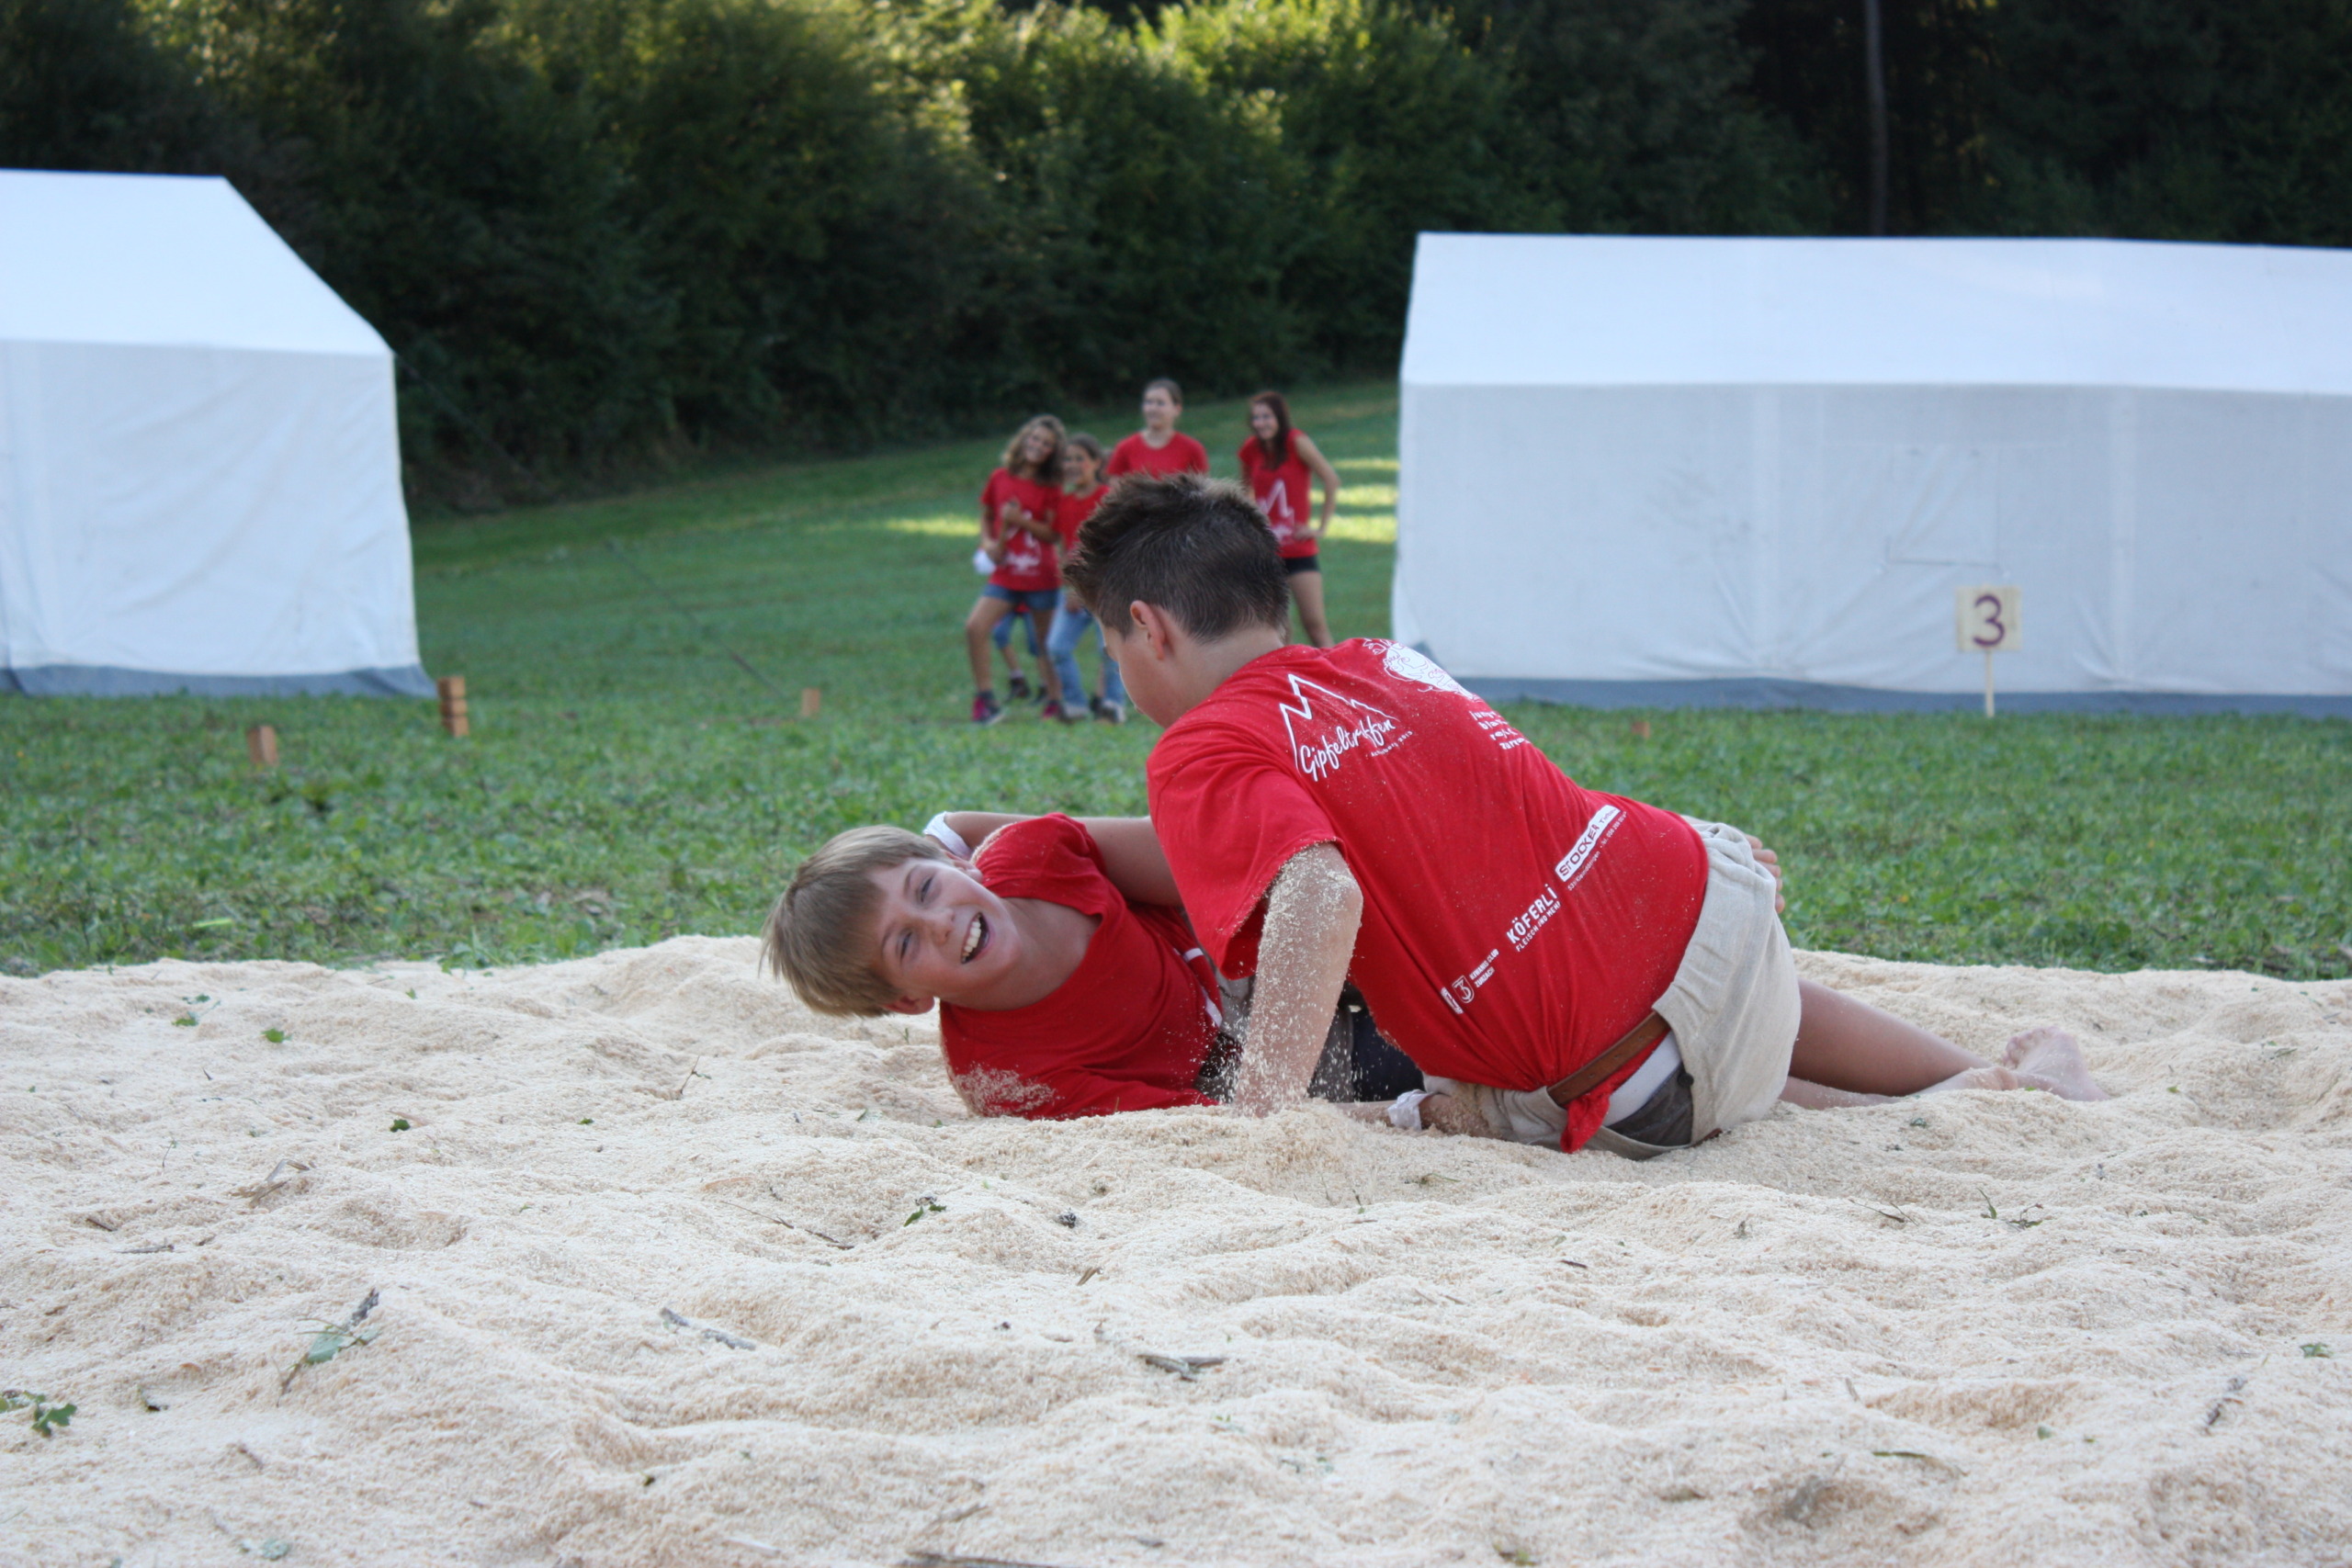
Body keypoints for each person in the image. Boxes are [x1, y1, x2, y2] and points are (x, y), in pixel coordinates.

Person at [1063, 474, 2109, 1158]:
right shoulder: (1381, 660)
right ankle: (1983, 1082)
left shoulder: (1198, 746)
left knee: (1575, 1080)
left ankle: (1967, 1109)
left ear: (1146, 629)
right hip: (1716, 905)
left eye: (1112, 650)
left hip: (1629, 1071)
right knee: (1644, 969)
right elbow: (1507, 808)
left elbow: (1320, 891)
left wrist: (1263, 1122)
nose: (1120, 675)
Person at [762, 812, 1422, 1120]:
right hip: (1230, 1073)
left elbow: (1210, 867)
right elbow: (1206, 1126)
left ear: (958, 862)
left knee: (1385, 927)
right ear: (907, 1000)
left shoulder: (1033, 851)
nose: (936, 922)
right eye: (904, 944)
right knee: (1421, 1062)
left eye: (927, 888)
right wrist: (1403, 1116)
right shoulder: (1003, 1077)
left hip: (1230, 959)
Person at [965, 415, 1068, 725]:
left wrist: (1020, 520)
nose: (1038, 447)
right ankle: (986, 699)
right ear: (1023, 439)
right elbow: (986, 515)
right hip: (1006, 574)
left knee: (1044, 643)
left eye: (1046, 444)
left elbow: (1053, 534)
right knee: (975, 627)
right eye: (1034, 439)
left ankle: (1055, 699)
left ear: (1053, 453)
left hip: (1040, 577)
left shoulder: (1051, 487)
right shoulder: (999, 477)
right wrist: (987, 544)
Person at [1238, 391, 1342, 648]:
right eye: (1256, 418)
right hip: (1267, 551)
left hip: (1298, 549)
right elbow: (1244, 492)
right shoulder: (1250, 449)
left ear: (1280, 418)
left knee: (1315, 624)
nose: (1261, 423)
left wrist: (1320, 527)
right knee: (1279, 630)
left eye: (1266, 417)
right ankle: (1288, 683)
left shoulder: (1296, 442)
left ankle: (1335, 680)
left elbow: (1330, 479)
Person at [1046, 434, 1129, 724]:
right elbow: (1063, 546)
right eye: (1068, 459)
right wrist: (1069, 583)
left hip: (1102, 588)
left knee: (1109, 648)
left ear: (1096, 463)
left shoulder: (1106, 498)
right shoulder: (1065, 502)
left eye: (1080, 458)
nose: (1073, 465)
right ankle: (1076, 704)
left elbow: (1110, 547)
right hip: (1072, 589)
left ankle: (1113, 705)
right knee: (1057, 646)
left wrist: (1085, 587)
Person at [1104, 378, 1209, 482]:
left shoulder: (1193, 449)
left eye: (1160, 403)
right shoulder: (1125, 447)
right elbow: (1115, 491)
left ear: (1177, 409)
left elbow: (1201, 492)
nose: (1153, 409)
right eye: (1149, 402)